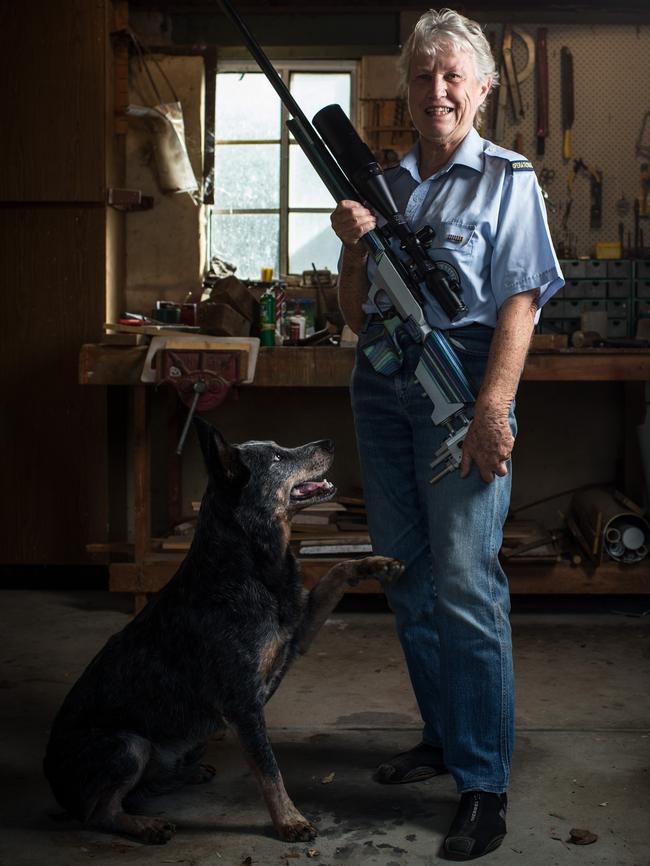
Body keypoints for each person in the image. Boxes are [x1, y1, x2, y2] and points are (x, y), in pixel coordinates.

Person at [330, 8, 564, 861]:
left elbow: (521, 302)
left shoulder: (510, 180)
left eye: (453, 75)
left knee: (466, 580)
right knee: (407, 575)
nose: (438, 90)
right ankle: (442, 735)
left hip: (461, 379)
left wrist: (494, 409)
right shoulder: (384, 187)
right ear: (409, 89)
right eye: (424, 75)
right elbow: (355, 316)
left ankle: (482, 782)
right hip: (382, 384)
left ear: (484, 89)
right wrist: (355, 250)